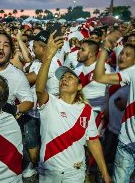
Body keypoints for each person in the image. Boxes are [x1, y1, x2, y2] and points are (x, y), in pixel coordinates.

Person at [36, 31, 111, 183]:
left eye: (69, 77)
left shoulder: (86, 109)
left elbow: (93, 141)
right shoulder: (49, 103)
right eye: (62, 77)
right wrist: (48, 57)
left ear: (79, 86)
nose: (64, 79)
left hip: (75, 173)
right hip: (50, 171)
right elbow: (39, 89)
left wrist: (105, 173)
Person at [94, 30, 135, 183]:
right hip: (125, 141)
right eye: (122, 53)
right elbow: (99, 77)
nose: (122, 56)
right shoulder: (131, 72)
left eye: (128, 54)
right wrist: (105, 49)